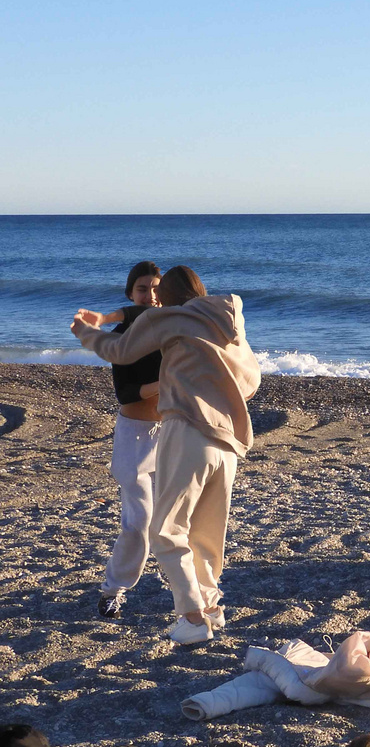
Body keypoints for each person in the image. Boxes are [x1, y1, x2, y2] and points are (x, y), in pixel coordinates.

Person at [70, 266, 261, 643]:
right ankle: (210, 609)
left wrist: (85, 332)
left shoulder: (169, 319)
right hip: (227, 441)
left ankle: (191, 618)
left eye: (158, 293)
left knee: (166, 530)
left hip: (187, 432)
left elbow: (116, 350)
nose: (152, 299)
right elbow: (251, 383)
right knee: (206, 532)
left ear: (167, 297)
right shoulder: (228, 323)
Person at [91, 261, 163, 618]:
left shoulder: (174, 330)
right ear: (130, 294)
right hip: (134, 437)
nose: (150, 295)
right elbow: (126, 393)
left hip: (173, 435)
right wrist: (165, 384)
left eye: (156, 287)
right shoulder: (120, 337)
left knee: (183, 518)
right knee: (139, 522)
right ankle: (113, 590)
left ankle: (193, 595)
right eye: (142, 289)